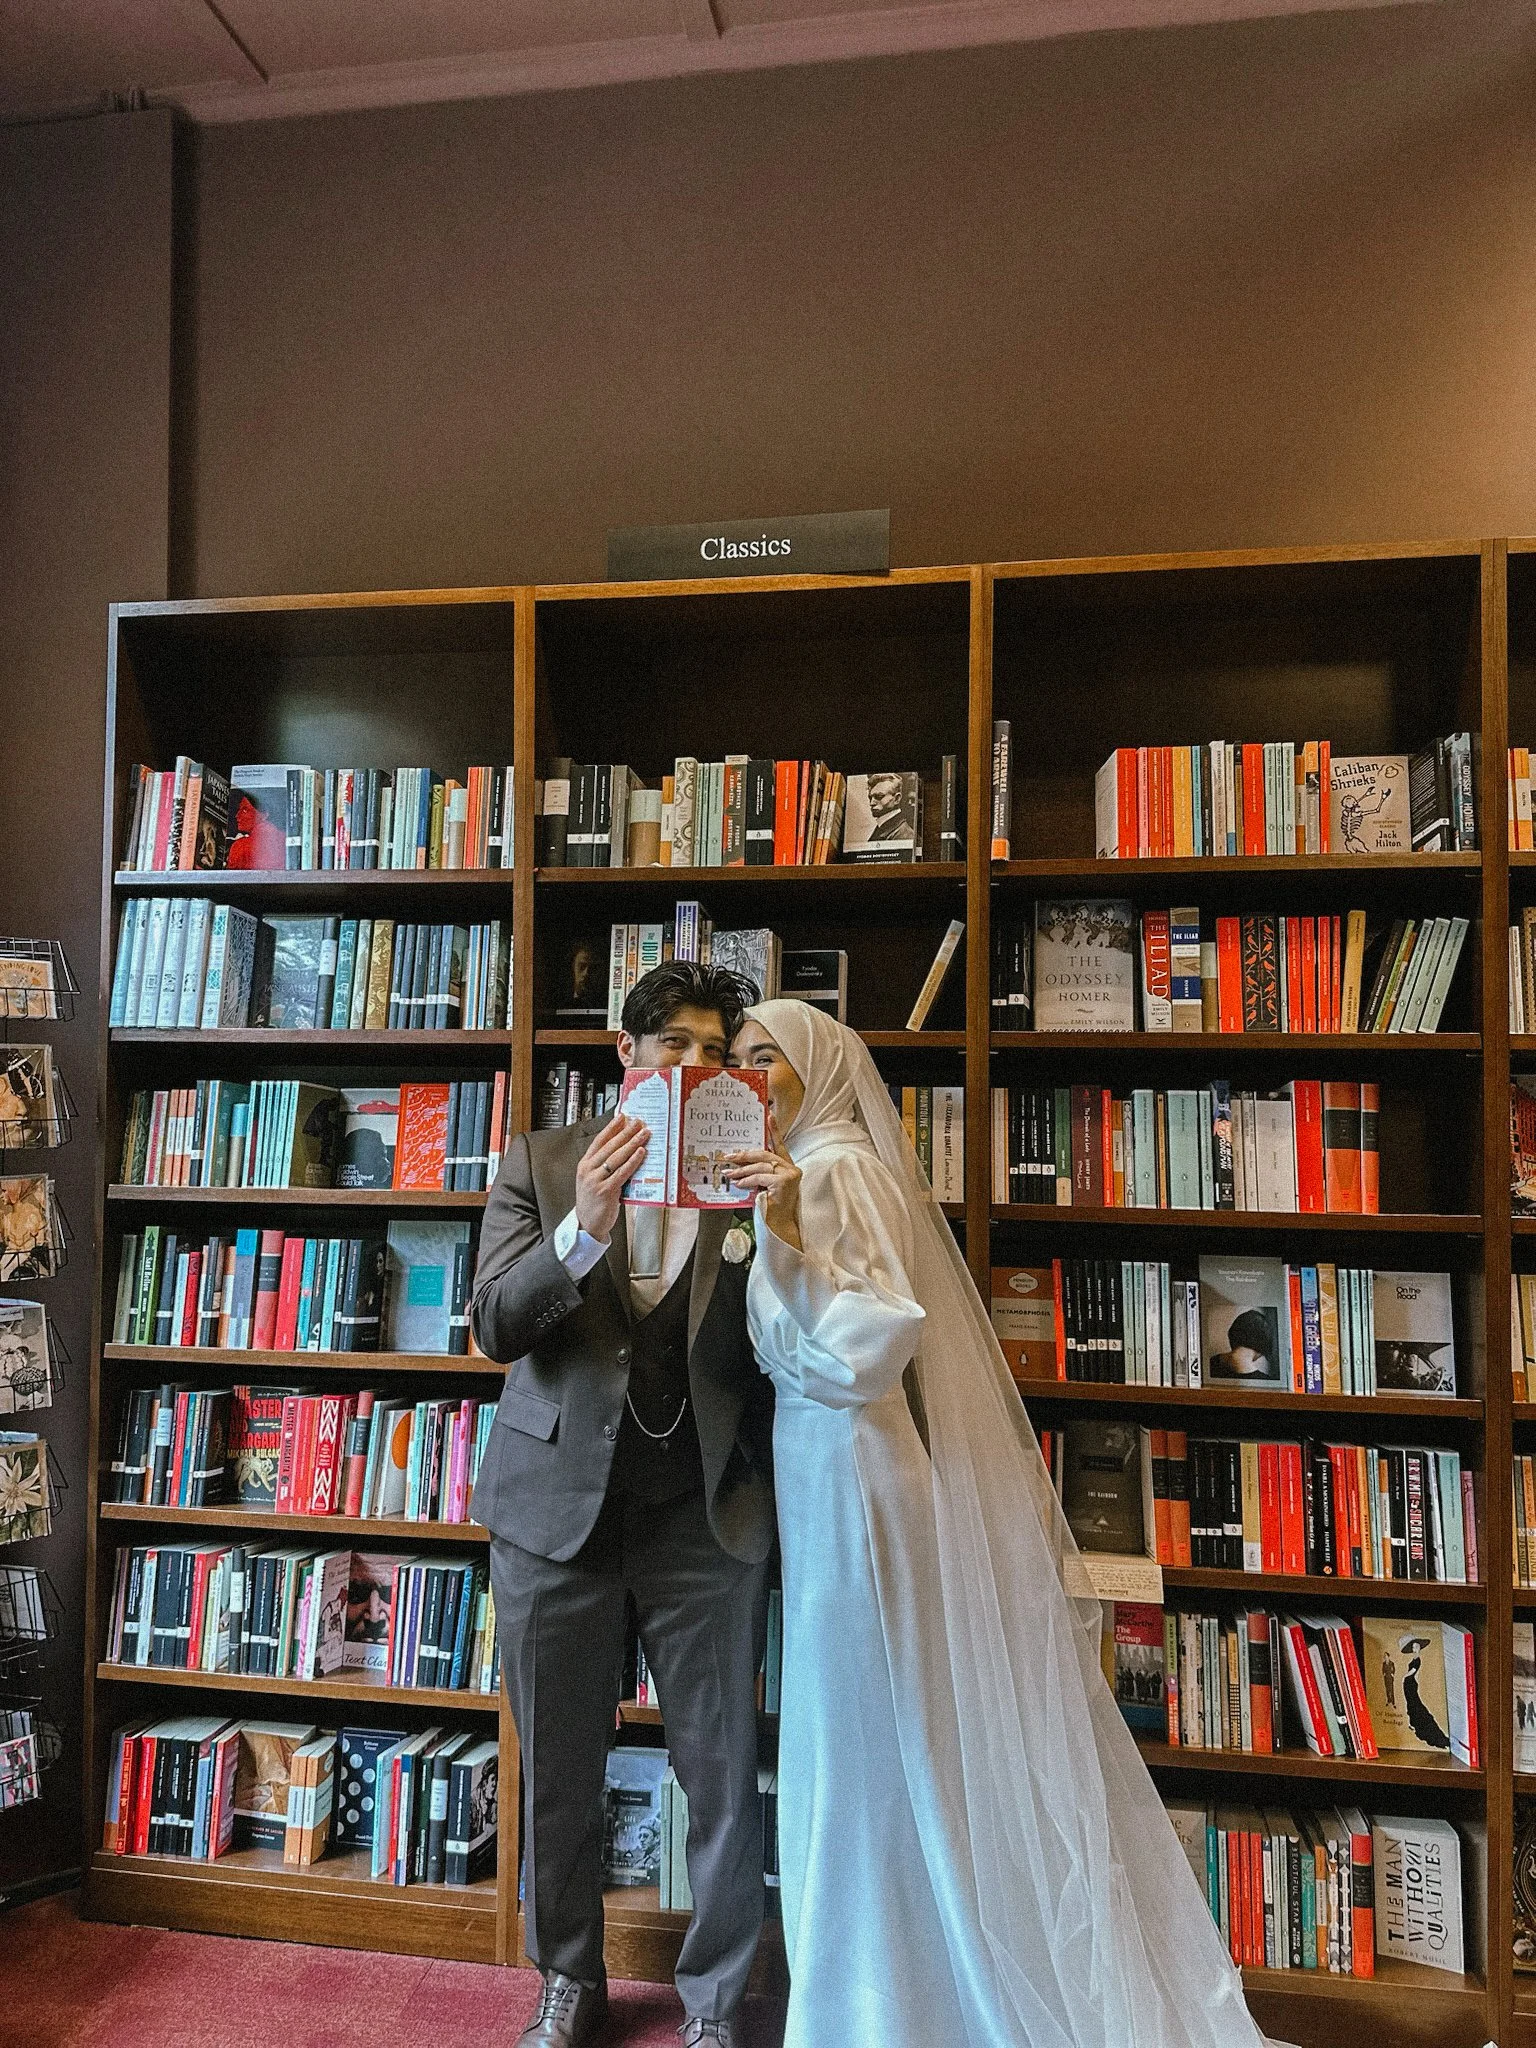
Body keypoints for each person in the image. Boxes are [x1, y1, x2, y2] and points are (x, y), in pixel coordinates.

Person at [725, 999, 1279, 2048]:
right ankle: (884, 1990)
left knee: (865, 1739)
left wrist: (786, 1240)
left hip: (849, 1461)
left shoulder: (836, 1167)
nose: (751, 1075)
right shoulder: (797, 1164)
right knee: (862, 1730)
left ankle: (882, 2007)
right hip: (821, 1462)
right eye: (741, 1057)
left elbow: (866, 1346)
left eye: (770, 1057)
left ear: (821, 1072)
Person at [470, 961, 774, 2048]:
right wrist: (584, 1225)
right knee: (557, 1767)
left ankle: (717, 2005)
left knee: (723, 1773)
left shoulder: (752, 1173)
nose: (694, 1064)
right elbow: (494, 1323)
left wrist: (786, 1215)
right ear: (627, 1055)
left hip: (704, 1510)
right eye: (674, 1045)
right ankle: (568, 1980)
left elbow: (788, 1344)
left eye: (712, 1047)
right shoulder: (543, 1162)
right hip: (555, 1511)